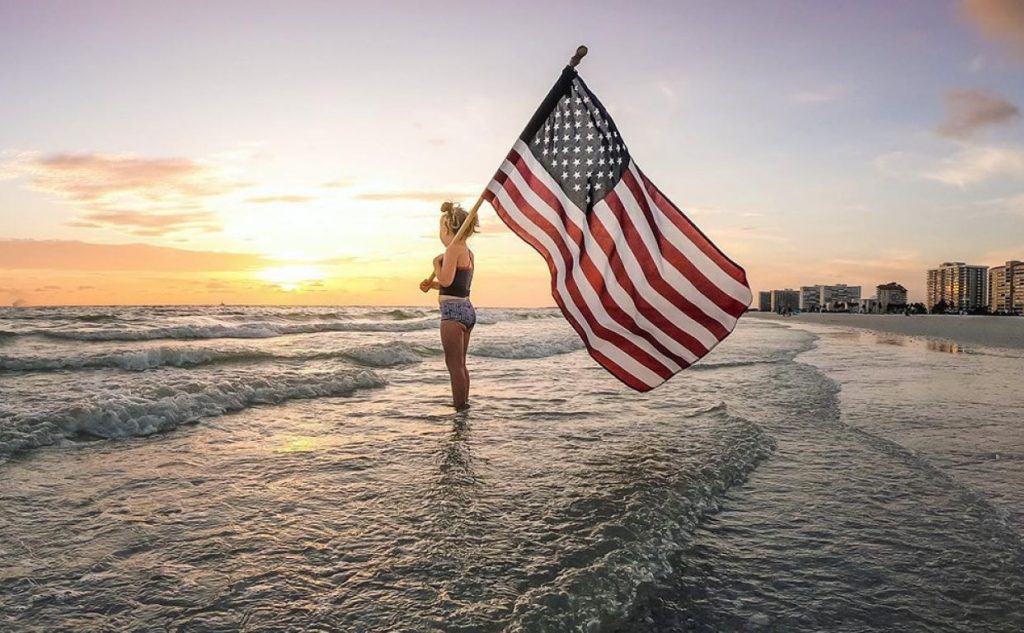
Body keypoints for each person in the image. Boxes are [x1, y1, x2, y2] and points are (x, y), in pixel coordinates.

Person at [419, 201, 478, 411]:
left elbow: (445, 280)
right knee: (460, 364)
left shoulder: (452, 249)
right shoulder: (467, 252)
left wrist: (436, 264)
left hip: (453, 313)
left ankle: (459, 407)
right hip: (466, 308)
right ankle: (464, 403)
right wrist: (431, 285)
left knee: (453, 366)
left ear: (448, 228)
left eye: (440, 228)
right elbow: (454, 285)